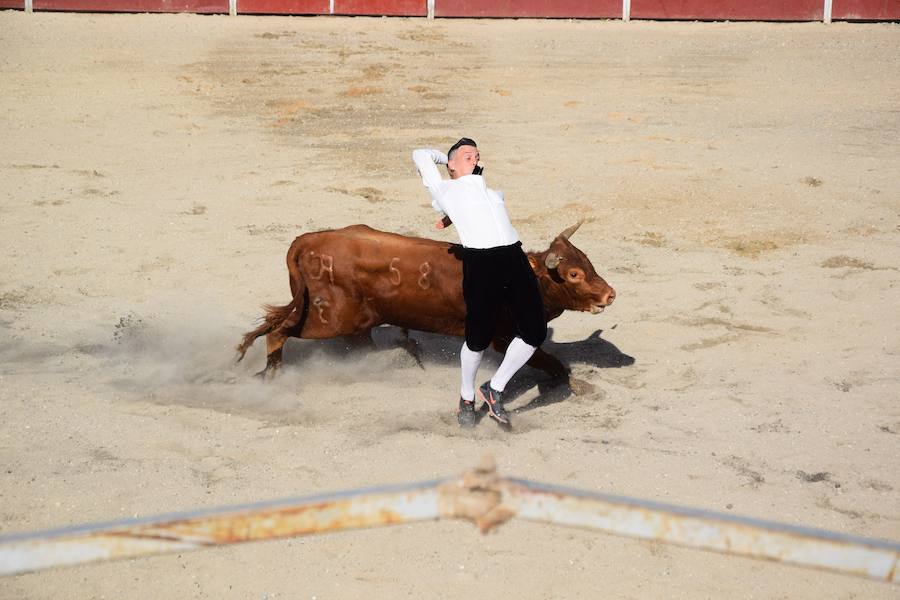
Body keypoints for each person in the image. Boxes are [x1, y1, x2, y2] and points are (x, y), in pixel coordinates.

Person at [412, 138, 547, 428]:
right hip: (482, 262)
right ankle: (465, 396)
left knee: (535, 331)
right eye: (467, 155)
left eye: (477, 155)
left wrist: (450, 214)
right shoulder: (445, 189)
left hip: (514, 256)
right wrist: (445, 159)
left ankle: (494, 388)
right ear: (452, 164)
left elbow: (476, 205)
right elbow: (419, 154)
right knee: (478, 337)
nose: (474, 158)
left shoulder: (487, 189)